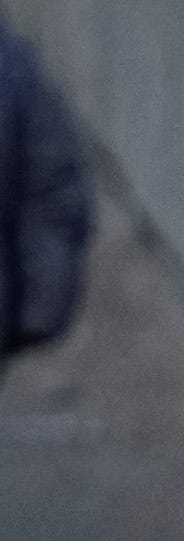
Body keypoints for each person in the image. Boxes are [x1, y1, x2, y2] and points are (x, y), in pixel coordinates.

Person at [0, 19, 89, 377]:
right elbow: (53, 190)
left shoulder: (12, 68)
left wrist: (39, 309)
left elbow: (52, 189)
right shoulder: (13, 66)